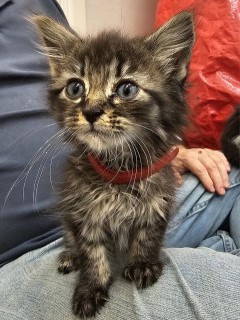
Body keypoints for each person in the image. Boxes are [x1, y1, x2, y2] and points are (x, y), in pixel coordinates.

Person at [0, 1, 239, 319]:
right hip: (27, 255)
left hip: (151, 171)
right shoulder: (82, 170)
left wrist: (175, 153)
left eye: (125, 89)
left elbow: (156, 217)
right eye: (76, 88)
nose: (92, 108)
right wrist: (93, 277)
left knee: (232, 174)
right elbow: (82, 224)